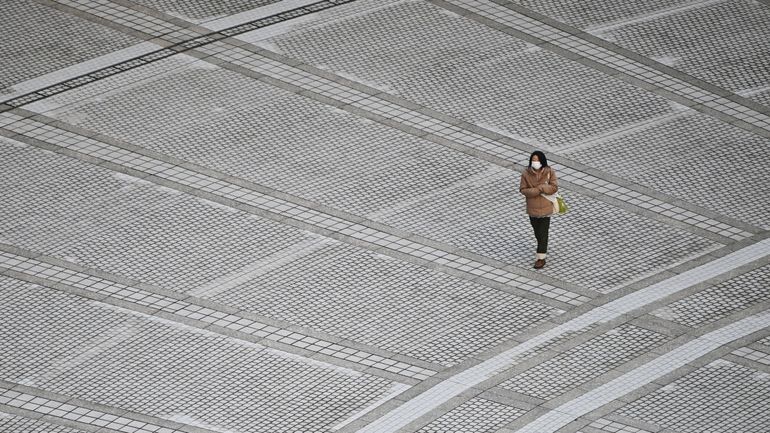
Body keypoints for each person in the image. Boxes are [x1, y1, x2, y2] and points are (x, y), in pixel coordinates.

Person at [519, 151, 558, 269]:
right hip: (533, 209)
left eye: (537, 160)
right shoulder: (526, 173)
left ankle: (541, 258)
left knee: (543, 234)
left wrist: (542, 188)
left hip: (546, 209)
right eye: (533, 160)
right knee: (537, 232)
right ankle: (541, 248)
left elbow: (554, 187)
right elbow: (523, 189)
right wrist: (536, 191)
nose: (535, 163)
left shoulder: (549, 172)